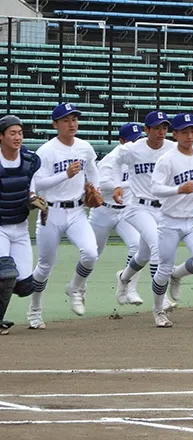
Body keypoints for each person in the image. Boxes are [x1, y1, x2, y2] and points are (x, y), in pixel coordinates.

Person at [28, 103, 101, 327]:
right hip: (51, 212)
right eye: (66, 120)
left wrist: (94, 189)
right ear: (55, 124)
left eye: (74, 119)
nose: (72, 124)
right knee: (45, 265)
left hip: (77, 210)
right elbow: (39, 183)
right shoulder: (46, 151)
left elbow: (93, 170)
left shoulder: (84, 147)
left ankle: (75, 288)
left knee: (90, 253)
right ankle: (35, 309)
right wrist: (65, 174)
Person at [149, 113, 193, 327]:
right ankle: (158, 310)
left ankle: (177, 274)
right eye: (184, 131)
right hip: (169, 221)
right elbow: (155, 189)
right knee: (162, 268)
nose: (189, 135)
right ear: (175, 134)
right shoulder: (166, 160)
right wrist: (178, 189)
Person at [112, 111, 177, 311]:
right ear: (146, 130)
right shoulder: (131, 149)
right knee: (159, 246)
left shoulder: (173, 148)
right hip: (138, 207)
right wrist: (116, 184)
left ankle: (123, 278)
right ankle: (161, 297)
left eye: (164, 128)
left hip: (162, 208)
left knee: (143, 255)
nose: (161, 132)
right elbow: (115, 162)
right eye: (156, 128)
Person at [89, 123, 145, 307]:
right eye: (131, 141)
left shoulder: (140, 158)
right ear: (121, 141)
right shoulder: (110, 159)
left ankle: (129, 287)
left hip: (126, 211)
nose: (135, 144)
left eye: (138, 140)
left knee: (138, 246)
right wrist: (119, 185)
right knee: (91, 254)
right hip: (103, 211)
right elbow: (101, 185)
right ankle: (78, 287)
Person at [0, 116, 43, 335]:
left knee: (25, 285)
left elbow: (30, 187)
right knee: (6, 274)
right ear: (1, 137)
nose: (17, 137)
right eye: (12, 133)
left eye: (20, 133)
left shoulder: (29, 160)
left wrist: (34, 198)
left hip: (20, 227)